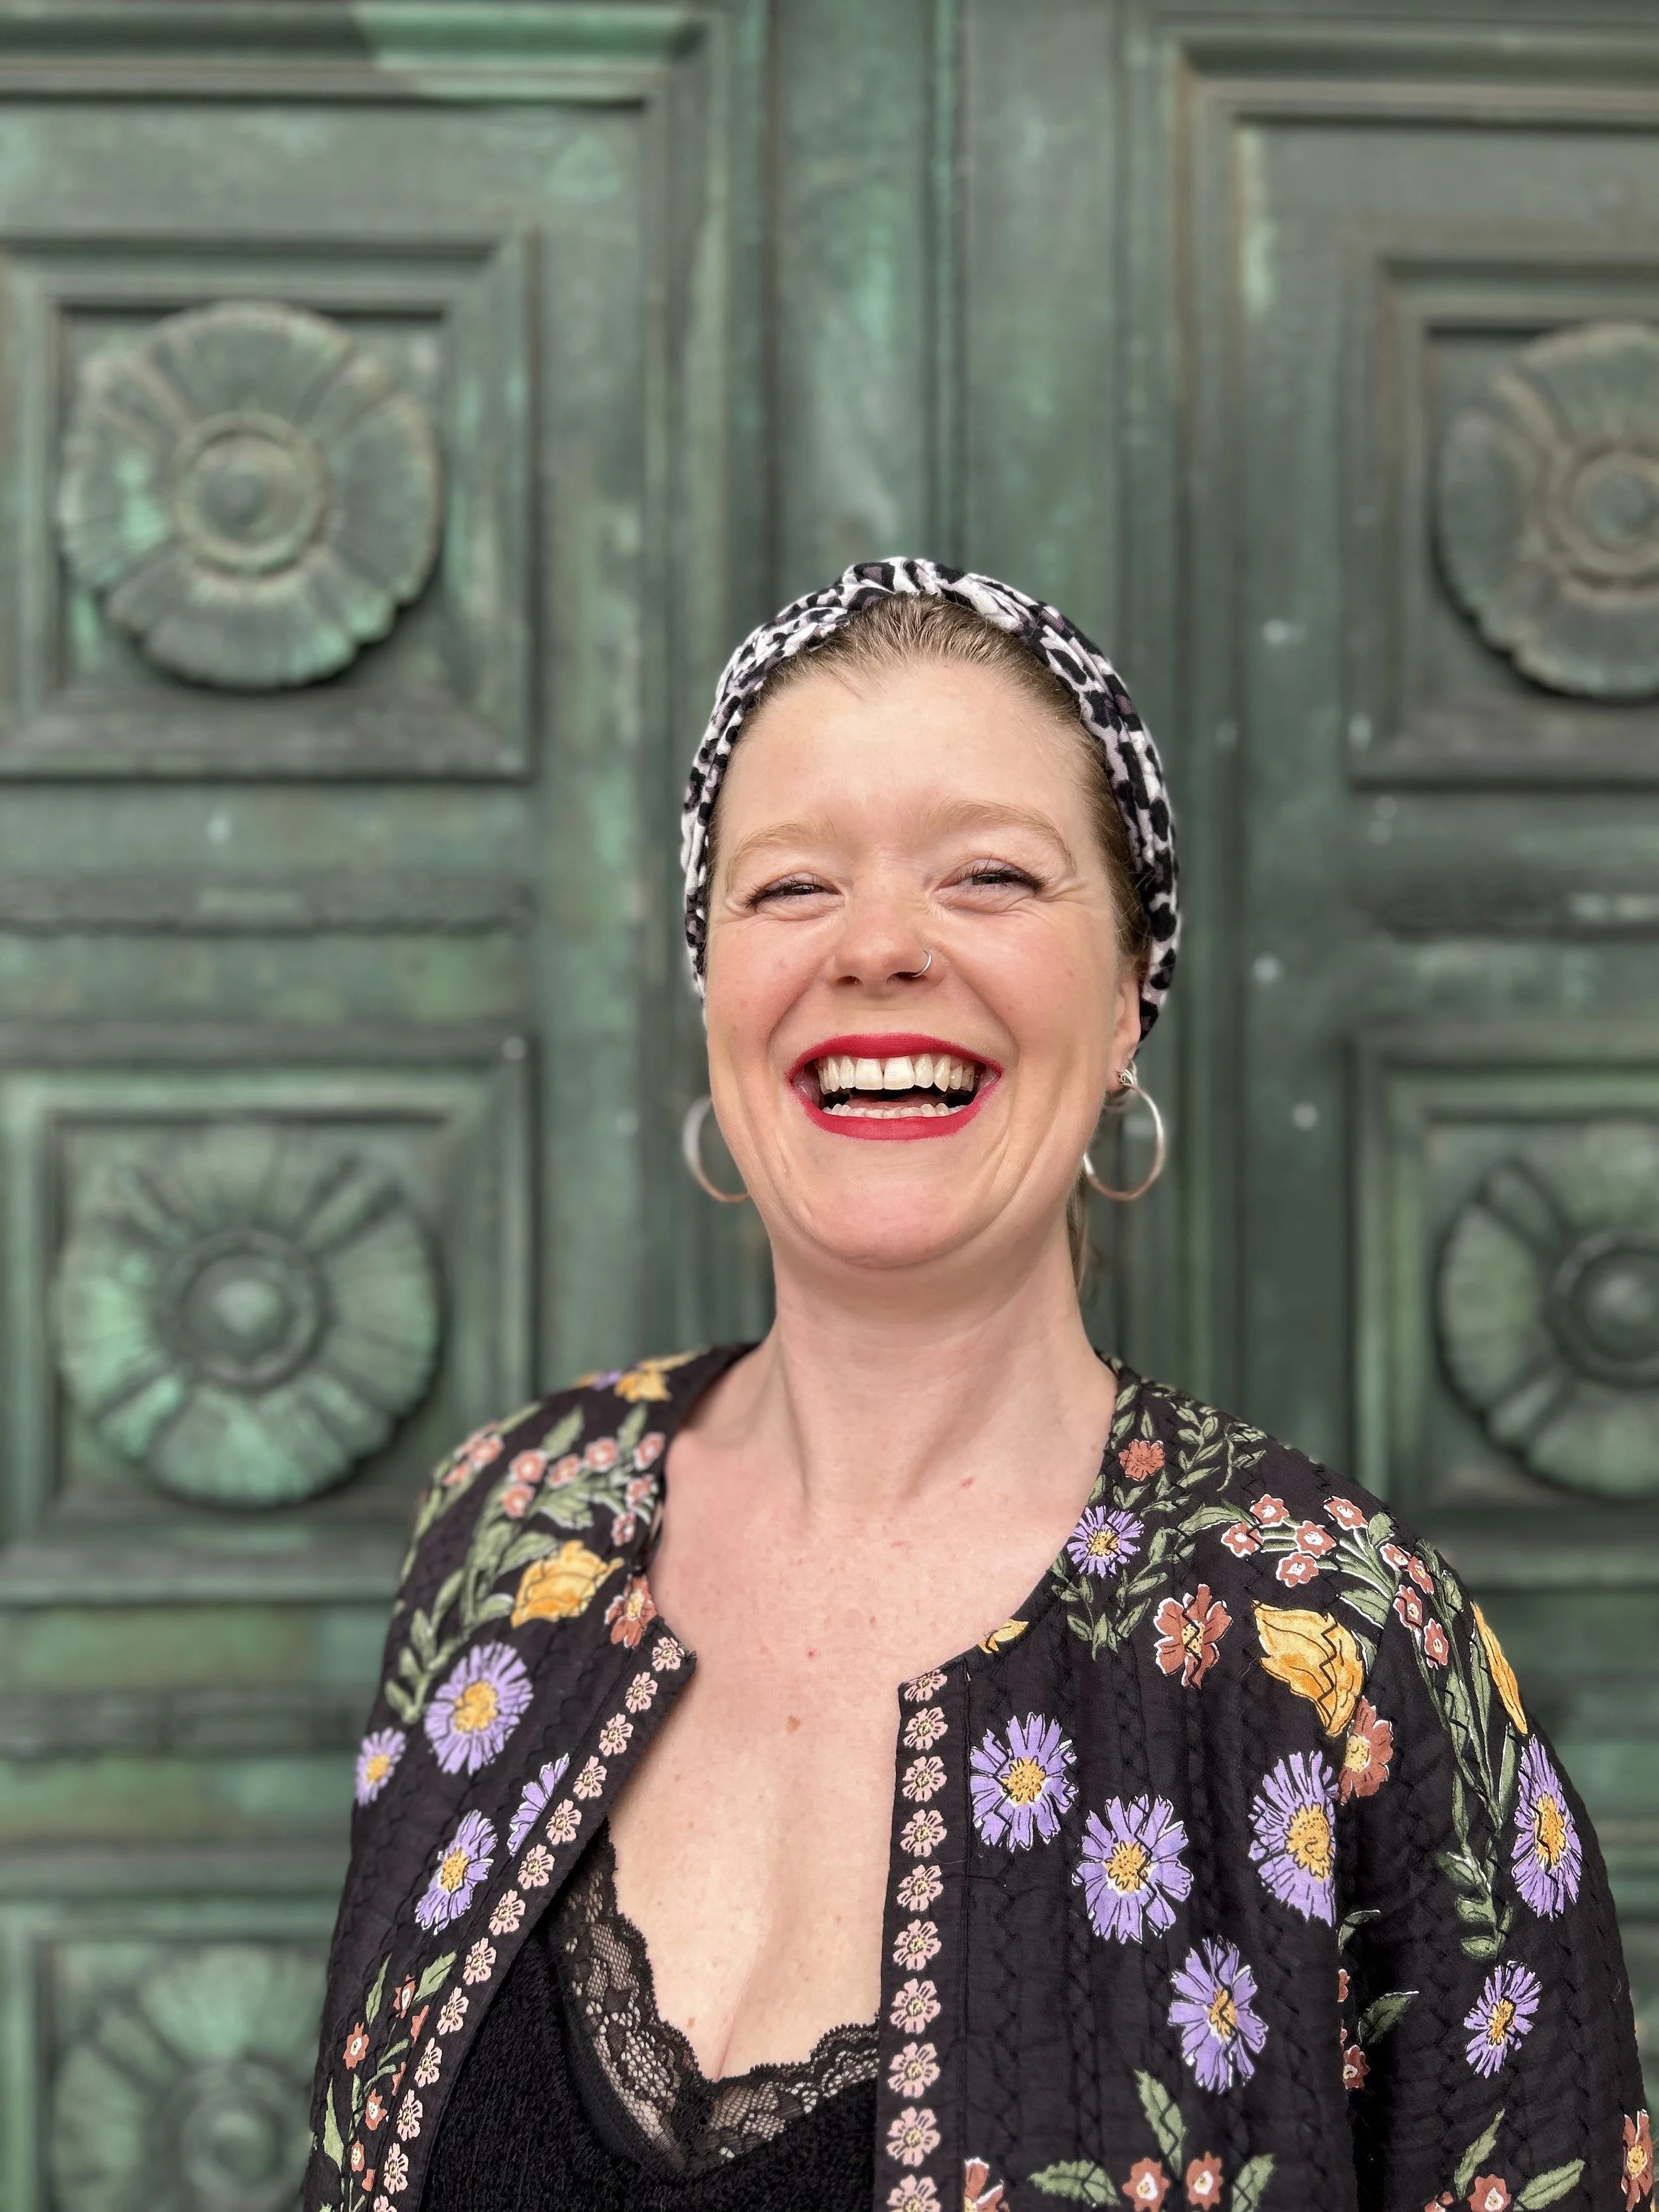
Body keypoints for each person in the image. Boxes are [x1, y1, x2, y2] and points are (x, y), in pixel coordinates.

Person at [305, 560, 1649, 2212]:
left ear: (1130, 993)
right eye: (789, 887)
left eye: (991, 875)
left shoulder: (1337, 1650)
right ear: (711, 987)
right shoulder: (512, 1521)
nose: (878, 947)